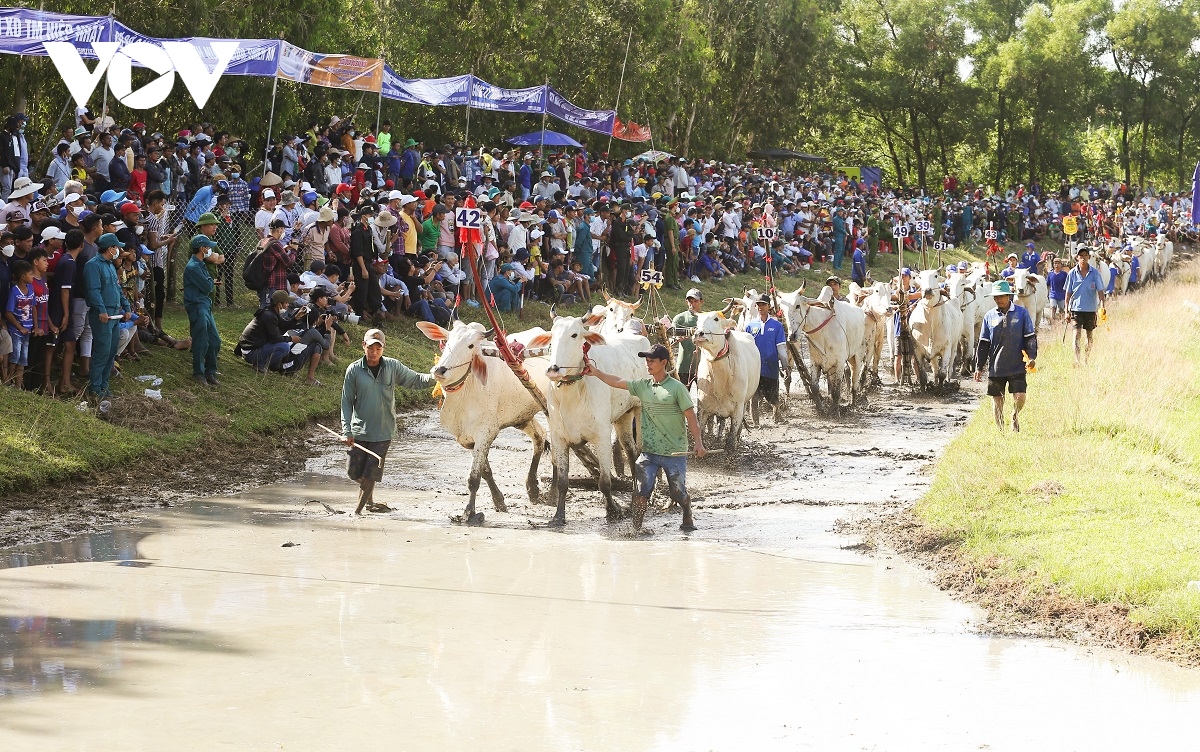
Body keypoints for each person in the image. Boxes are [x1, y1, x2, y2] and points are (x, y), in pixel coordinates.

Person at [582, 342, 705, 531]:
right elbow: (617, 382)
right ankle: (636, 529)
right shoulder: (643, 385)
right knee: (640, 491)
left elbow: (691, 417)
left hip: (674, 452)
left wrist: (698, 443)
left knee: (677, 493)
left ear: (663, 362)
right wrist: (597, 372)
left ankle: (687, 510)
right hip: (649, 452)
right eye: (646, 361)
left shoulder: (677, 388)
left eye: (652, 361)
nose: (648, 364)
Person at [340, 328, 434, 515]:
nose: (374, 352)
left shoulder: (392, 366)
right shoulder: (354, 370)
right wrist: (346, 430)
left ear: (383, 349)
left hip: (383, 432)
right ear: (363, 346)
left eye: (378, 348)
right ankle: (369, 498)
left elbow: (416, 380)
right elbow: (346, 401)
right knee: (353, 473)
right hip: (359, 431)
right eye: (370, 347)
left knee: (370, 475)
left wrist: (435, 377)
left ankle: (358, 512)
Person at [973, 279, 1037, 432]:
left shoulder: (1022, 313)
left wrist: (1032, 357)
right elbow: (983, 343)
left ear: (1009, 296)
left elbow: (1030, 337)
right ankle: (1000, 431)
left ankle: (1014, 415)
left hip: (1017, 364)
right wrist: (978, 367)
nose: (998, 299)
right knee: (997, 399)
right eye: (996, 297)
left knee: (1020, 397)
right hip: (997, 366)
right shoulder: (989, 316)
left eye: (1001, 296)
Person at [82, 232, 131, 398]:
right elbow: (94, 291)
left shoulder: (110, 265)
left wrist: (126, 307)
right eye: (117, 247)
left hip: (115, 315)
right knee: (102, 352)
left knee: (110, 352)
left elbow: (117, 289)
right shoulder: (93, 265)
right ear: (111, 248)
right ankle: (95, 388)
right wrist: (102, 310)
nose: (119, 250)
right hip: (103, 315)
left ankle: (104, 386)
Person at [183, 233, 223, 386]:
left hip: (205, 305)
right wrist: (210, 281)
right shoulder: (193, 267)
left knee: (215, 341)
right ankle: (198, 373)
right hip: (197, 306)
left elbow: (208, 284)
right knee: (201, 341)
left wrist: (209, 282)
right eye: (208, 248)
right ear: (202, 248)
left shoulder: (201, 264)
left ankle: (210, 371)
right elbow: (207, 286)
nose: (210, 251)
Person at [745, 294, 787, 422]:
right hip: (754, 368)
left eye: (763, 304)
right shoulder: (750, 326)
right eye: (758, 304)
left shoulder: (776, 326)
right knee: (754, 397)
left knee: (773, 397)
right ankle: (756, 422)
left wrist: (785, 365)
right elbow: (746, 347)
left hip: (771, 366)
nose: (760, 307)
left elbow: (781, 347)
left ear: (769, 306)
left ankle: (777, 415)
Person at [1064, 246, 1105, 365]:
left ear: (1089, 257)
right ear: (1077, 257)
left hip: (1091, 309)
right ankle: (1077, 360)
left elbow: (1101, 292)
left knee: (1089, 335)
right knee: (1076, 334)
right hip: (1076, 309)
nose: (1083, 258)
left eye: (1085, 256)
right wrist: (1066, 311)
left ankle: (1086, 360)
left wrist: (1102, 306)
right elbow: (1067, 295)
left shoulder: (1095, 273)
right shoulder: (1072, 273)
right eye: (1080, 256)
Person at [672, 288, 703, 388]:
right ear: (686, 302)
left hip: (703, 367)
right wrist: (676, 339)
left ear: (701, 302)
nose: (692, 304)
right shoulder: (679, 319)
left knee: (706, 399)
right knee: (682, 399)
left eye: (695, 301)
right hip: (684, 366)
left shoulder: (707, 318)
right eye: (690, 301)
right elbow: (669, 341)